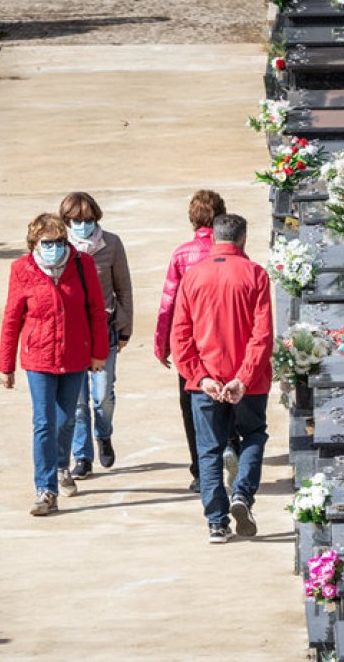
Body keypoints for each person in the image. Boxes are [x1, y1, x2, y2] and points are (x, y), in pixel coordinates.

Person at [171, 214, 273, 543]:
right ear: (242, 239)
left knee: (209, 450)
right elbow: (262, 335)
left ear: (214, 238)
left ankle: (216, 521)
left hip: (207, 382)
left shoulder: (193, 276)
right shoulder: (255, 274)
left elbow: (180, 336)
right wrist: (243, 379)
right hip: (249, 382)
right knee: (253, 434)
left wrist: (200, 378)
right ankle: (242, 493)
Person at [0, 213, 109, 516]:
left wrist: (99, 353)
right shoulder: (22, 270)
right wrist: (6, 365)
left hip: (75, 356)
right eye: (48, 242)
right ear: (35, 243)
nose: (55, 247)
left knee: (67, 420)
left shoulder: (82, 266)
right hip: (39, 358)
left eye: (60, 241)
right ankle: (45, 489)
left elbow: (97, 311)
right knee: (43, 423)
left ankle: (62, 464)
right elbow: (11, 319)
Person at [154, 190, 238, 493]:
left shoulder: (182, 254)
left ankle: (201, 470)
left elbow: (169, 302)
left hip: (192, 342)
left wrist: (162, 343)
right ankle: (230, 447)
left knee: (192, 405)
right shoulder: (234, 251)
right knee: (229, 398)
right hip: (229, 338)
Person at [60, 192, 133, 479]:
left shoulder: (111, 244)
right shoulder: (61, 247)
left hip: (105, 330)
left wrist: (125, 326)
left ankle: (103, 434)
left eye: (88, 220)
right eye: (76, 221)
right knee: (78, 403)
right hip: (74, 335)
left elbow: (123, 287)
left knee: (102, 396)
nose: (83, 225)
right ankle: (82, 456)